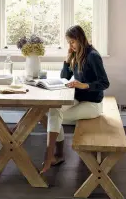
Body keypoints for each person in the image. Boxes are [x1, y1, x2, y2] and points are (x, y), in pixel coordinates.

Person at [40, 25, 110, 174]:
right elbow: (64, 77)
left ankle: (53, 155)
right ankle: (55, 154)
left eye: (72, 42)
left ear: (80, 39)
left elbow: (105, 83)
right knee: (54, 110)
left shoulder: (93, 56)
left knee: (54, 117)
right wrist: (67, 59)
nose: (70, 45)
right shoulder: (77, 53)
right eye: (68, 42)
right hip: (78, 98)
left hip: (92, 104)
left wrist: (84, 85)